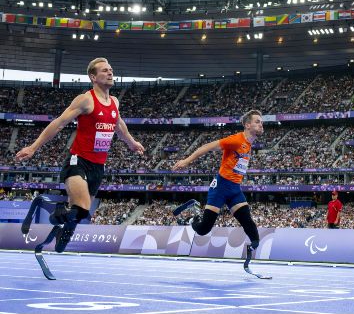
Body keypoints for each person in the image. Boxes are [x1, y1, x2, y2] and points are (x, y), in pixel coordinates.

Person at [15, 58, 145, 253]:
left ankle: (63, 230)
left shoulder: (114, 102)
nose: (110, 73)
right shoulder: (85, 99)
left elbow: (119, 126)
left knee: (79, 214)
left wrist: (132, 143)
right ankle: (48, 207)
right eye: (104, 70)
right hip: (78, 162)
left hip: (98, 167)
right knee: (82, 208)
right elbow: (58, 123)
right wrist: (34, 147)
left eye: (110, 69)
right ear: (93, 77)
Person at [172, 110, 263, 253]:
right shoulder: (236, 140)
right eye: (257, 122)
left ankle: (252, 248)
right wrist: (187, 161)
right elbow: (207, 147)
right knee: (203, 229)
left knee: (249, 225)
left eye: (261, 122)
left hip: (235, 190)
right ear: (247, 125)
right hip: (220, 187)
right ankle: (193, 215)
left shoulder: (249, 144)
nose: (261, 124)